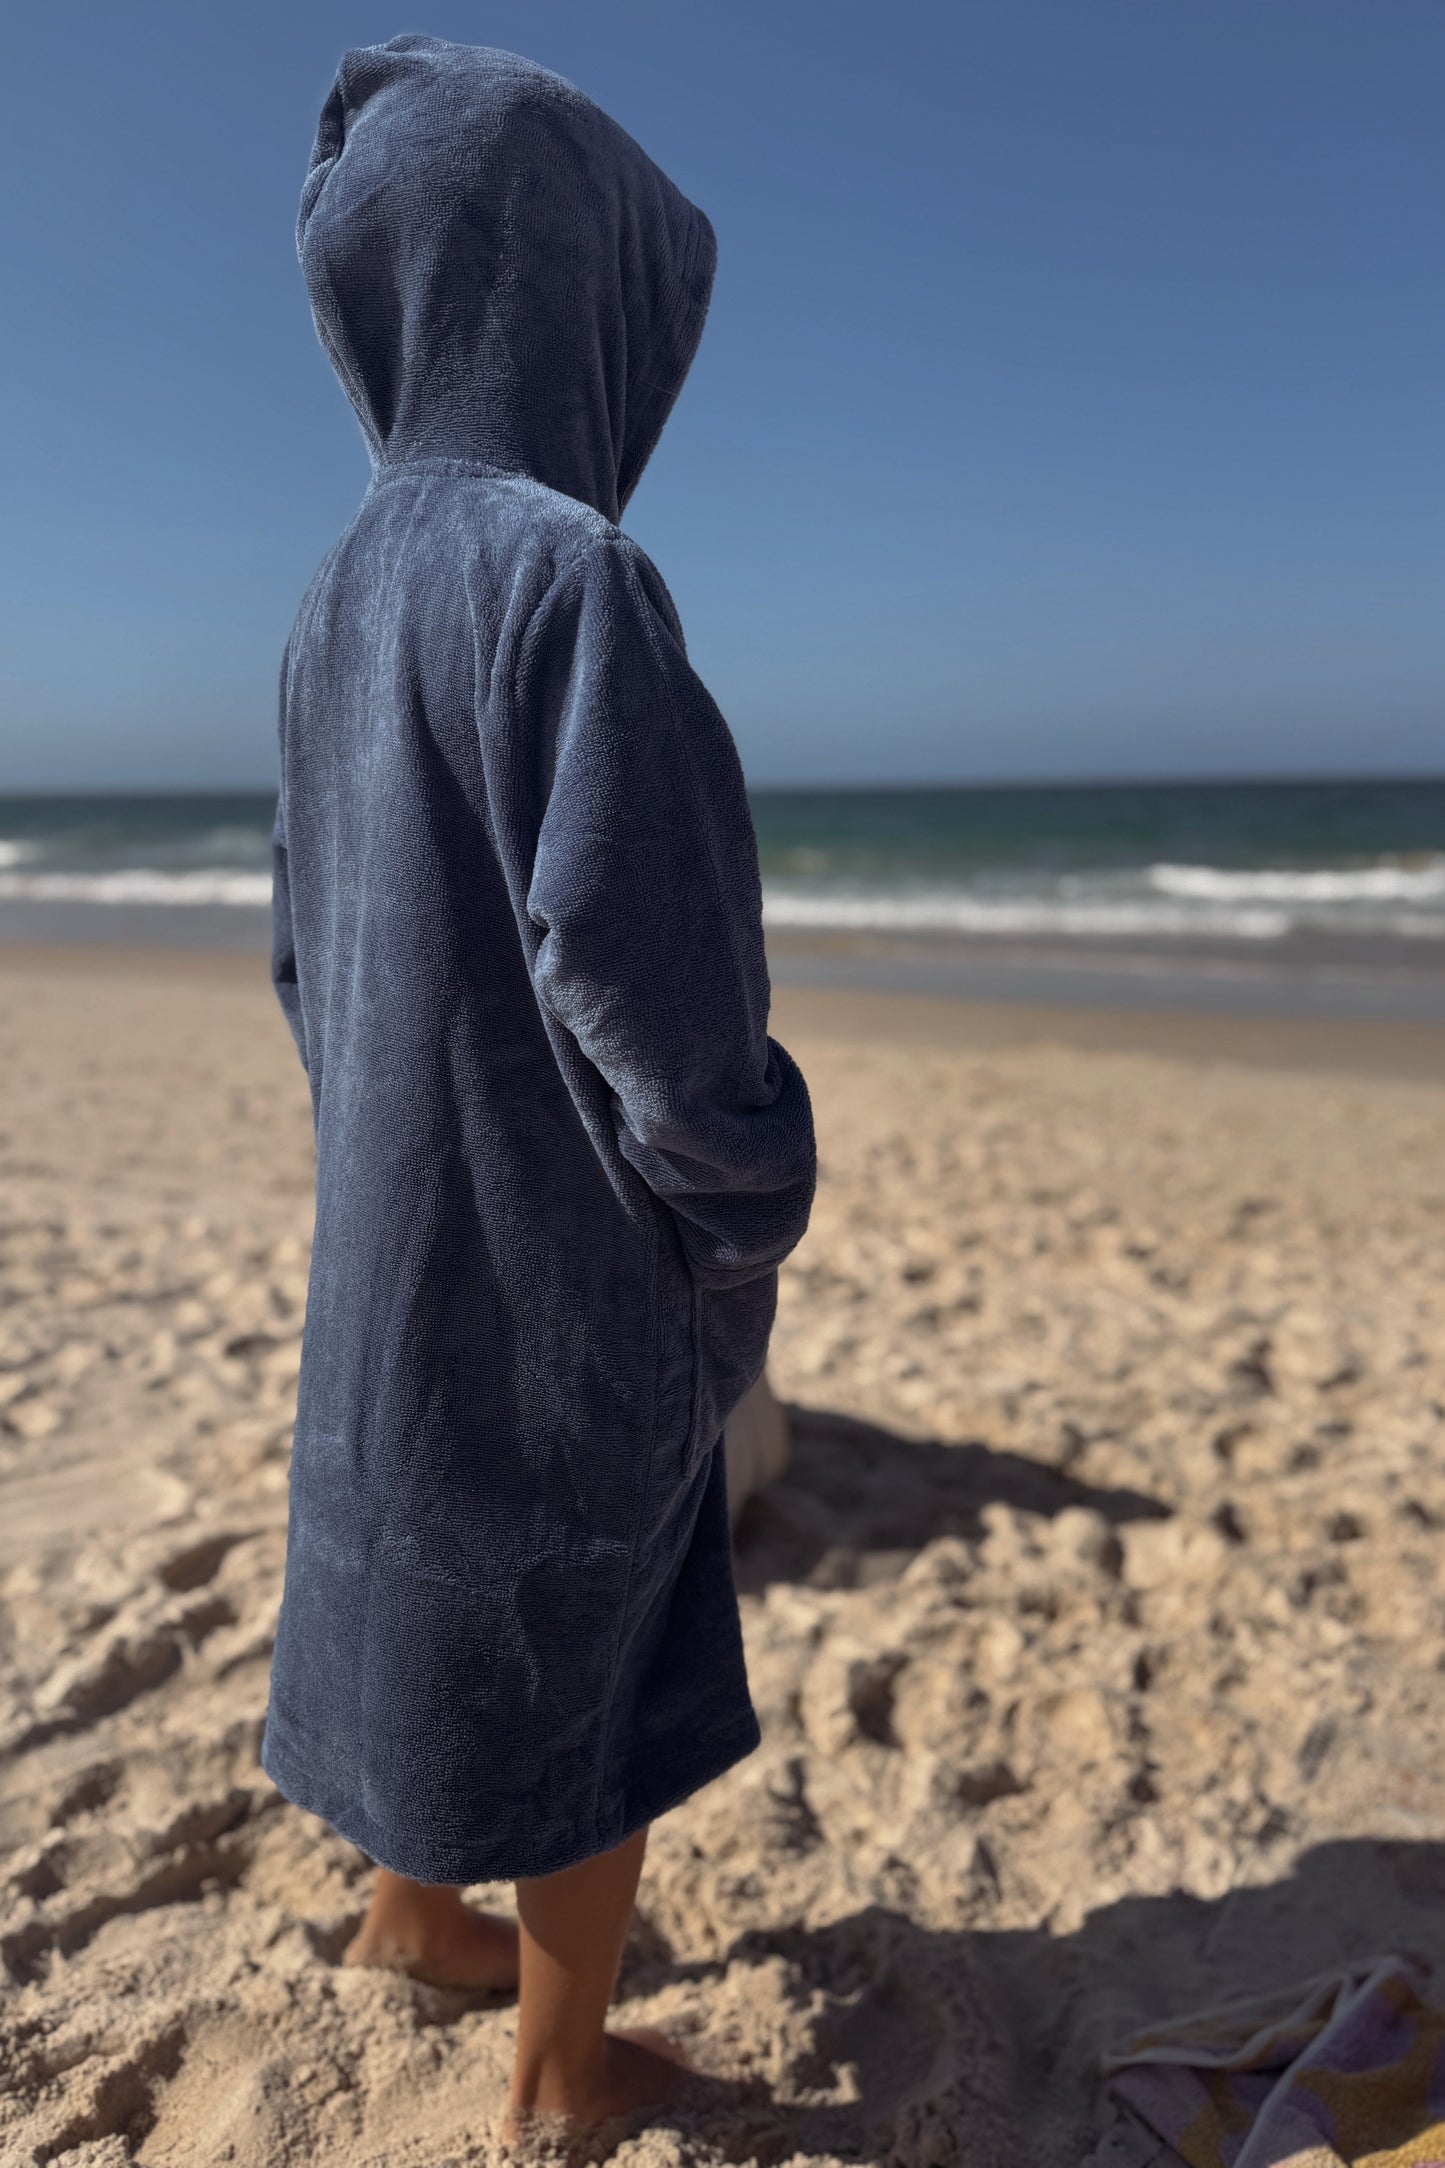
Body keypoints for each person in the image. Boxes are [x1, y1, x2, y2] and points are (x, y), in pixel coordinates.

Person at [260, 34, 817, 2131]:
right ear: (577, 304)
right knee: (588, 1637)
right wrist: (740, 1184)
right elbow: (646, 972)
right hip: (568, 1244)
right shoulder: (566, 574)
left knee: (398, 1557)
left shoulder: (332, 596)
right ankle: (563, 2069)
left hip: (392, 1209)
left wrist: (374, 1131)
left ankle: (411, 1906)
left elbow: (309, 947)